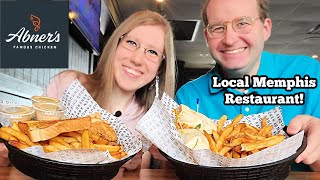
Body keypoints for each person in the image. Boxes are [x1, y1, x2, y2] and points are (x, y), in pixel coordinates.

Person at [0, 10, 176, 170]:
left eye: (152, 52)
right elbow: (29, 141)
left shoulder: (149, 122)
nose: (137, 59)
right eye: (131, 42)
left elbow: (139, 169)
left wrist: (134, 164)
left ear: (160, 67)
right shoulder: (67, 83)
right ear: (116, 44)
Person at [175, 0, 320, 171]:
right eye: (218, 28)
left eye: (242, 23)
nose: (229, 39)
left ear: (265, 29)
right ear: (207, 38)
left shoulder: (309, 73)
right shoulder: (188, 98)